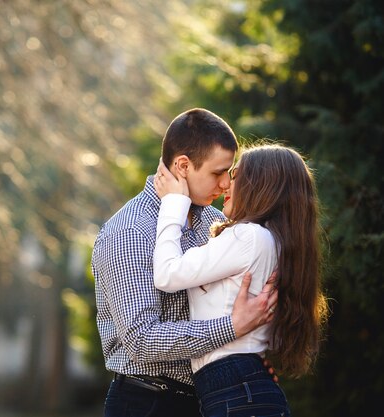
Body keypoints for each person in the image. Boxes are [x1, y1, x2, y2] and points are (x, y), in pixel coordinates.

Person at [91, 108, 278, 417]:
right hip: (148, 401)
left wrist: (249, 363)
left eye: (228, 173)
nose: (226, 185)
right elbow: (141, 340)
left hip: (212, 399)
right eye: (217, 173)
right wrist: (230, 328)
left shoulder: (216, 222)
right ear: (182, 166)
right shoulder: (129, 232)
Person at [153, 143, 329, 416]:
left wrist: (173, 204)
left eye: (234, 176)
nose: (225, 186)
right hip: (243, 386)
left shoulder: (247, 236)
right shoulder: (275, 240)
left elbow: (166, 274)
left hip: (237, 389)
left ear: (259, 186)